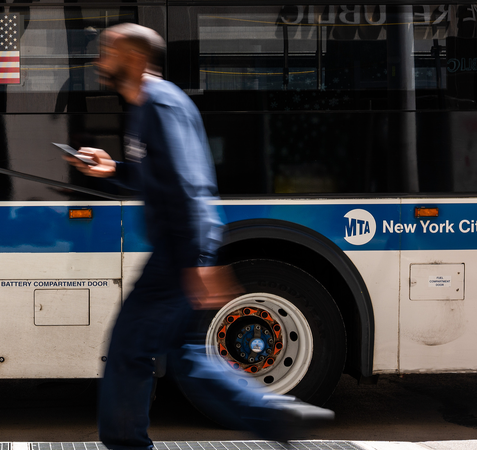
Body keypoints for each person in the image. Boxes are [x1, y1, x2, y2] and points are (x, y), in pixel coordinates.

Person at [63, 23, 334, 449]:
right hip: (181, 248)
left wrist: (196, 262)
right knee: (186, 357)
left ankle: (125, 444)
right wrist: (112, 168)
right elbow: (163, 178)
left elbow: (190, 185)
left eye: (107, 52)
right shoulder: (148, 106)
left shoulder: (159, 105)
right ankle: (277, 416)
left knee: (127, 352)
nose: (99, 62)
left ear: (133, 59)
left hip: (177, 252)